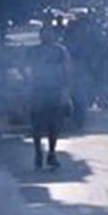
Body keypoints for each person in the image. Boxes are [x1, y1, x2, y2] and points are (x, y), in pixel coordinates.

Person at [26, 24, 72, 169]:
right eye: (45, 34)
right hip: (38, 91)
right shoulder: (34, 51)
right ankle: (38, 153)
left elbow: (67, 71)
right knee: (37, 124)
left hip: (54, 91)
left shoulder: (60, 51)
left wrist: (65, 91)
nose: (47, 36)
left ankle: (51, 153)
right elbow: (25, 68)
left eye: (49, 33)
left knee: (54, 124)